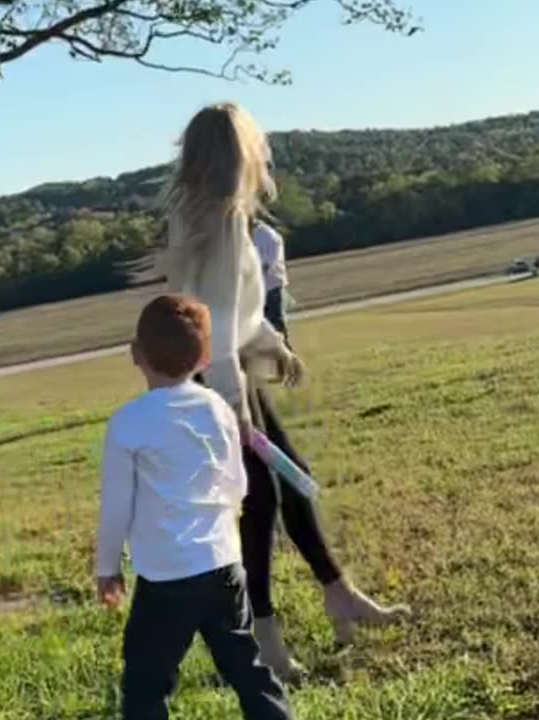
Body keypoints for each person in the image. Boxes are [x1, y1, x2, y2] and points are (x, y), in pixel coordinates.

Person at [159, 102, 407, 681]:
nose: (264, 155)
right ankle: (262, 644)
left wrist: (274, 345)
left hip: (224, 373)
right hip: (215, 380)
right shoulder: (219, 225)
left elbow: (236, 313)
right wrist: (238, 411)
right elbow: (215, 331)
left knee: (292, 481)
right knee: (260, 503)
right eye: (257, 145)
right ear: (239, 153)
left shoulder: (219, 220)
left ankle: (340, 596)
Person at [96, 294, 293, 720]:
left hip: (165, 578)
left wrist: (107, 568)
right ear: (204, 357)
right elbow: (238, 485)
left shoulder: (128, 423)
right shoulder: (218, 407)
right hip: (224, 566)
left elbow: (116, 507)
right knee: (249, 670)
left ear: (136, 354)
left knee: (146, 684)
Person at [251, 220, 290, 340]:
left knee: (275, 324)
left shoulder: (267, 235)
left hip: (270, 287)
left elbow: (266, 264)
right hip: (255, 290)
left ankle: (286, 352)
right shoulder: (245, 235)